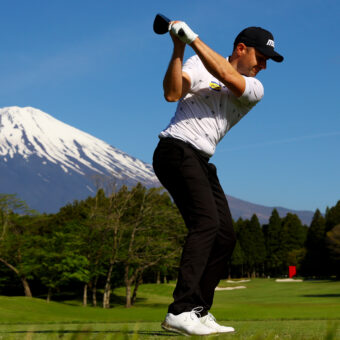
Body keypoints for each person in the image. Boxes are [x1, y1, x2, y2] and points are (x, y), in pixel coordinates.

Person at [152, 20, 283, 336]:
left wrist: (192, 38)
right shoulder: (198, 63)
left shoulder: (255, 88)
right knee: (207, 223)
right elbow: (172, 93)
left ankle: (197, 310)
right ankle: (180, 311)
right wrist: (179, 48)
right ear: (242, 48)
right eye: (260, 57)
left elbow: (226, 75)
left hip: (199, 159)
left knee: (225, 236)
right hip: (175, 149)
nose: (263, 66)